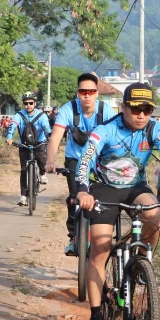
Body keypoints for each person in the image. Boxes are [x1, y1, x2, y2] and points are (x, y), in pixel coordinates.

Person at [73, 82, 160, 320]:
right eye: (135, 108)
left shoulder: (156, 129)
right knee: (100, 247)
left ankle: (142, 261)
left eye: (147, 109)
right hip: (103, 188)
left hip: (136, 188)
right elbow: (85, 159)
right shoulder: (105, 130)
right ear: (123, 108)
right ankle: (96, 315)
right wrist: (82, 189)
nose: (141, 114)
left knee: (153, 212)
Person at [44, 73, 115, 256]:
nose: (87, 95)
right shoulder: (69, 110)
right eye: (83, 91)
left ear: (97, 93)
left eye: (91, 91)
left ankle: (104, 233)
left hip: (100, 161)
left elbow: (115, 139)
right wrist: (50, 161)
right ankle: (73, 236)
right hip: (75, 159)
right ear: (78, 93)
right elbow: (56, 137)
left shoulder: (105, 110)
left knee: (105, 197)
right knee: (75, 197)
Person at [7, 91, 52, 206]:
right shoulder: (19, 115)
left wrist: (49, 137)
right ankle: (23, 196)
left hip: (39, 143)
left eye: (31, 103)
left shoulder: (41, 116)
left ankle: (42, 174)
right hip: (24, 145)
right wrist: (9, 136)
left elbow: (46, 128)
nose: (28, 105)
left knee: (42, 159)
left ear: (35, 103)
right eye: (26, 103)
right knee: (23, 170)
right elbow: (13, 124)